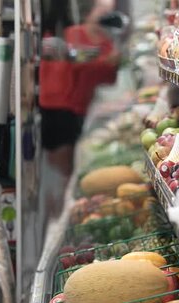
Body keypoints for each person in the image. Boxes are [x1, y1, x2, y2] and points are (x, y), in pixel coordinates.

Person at [40, 0, 120, 177]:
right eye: (101, 8)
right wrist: (105, 62)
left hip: (80, 107)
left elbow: (109, 77)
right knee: (61, 165)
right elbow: (72, 65)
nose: (106, 12)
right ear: (89, 12)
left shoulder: (105, 40)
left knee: (73, 162)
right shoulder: (71, 35)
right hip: (60, 106)